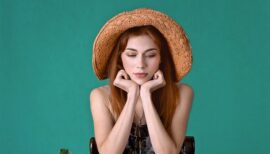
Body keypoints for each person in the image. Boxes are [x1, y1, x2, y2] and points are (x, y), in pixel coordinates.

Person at [90, 8, 194, 154]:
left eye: (150, 55)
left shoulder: (183, 92)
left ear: (161, 58)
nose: (141, 64)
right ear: (120, 57)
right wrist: (132, 95)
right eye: (132, 54)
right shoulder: (100, 96)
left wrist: (145, 94)